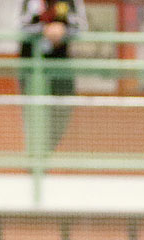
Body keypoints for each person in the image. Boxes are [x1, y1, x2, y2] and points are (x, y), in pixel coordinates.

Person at [19, 0, 86, 153]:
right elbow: (19, 26)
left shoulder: (71, 2)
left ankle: (44, 152)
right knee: (33, 113)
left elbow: (81, 27)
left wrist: (63, 29)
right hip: (31, 65)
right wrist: (44, 29)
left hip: (60, 65)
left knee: (61, 111)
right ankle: (35, 156)